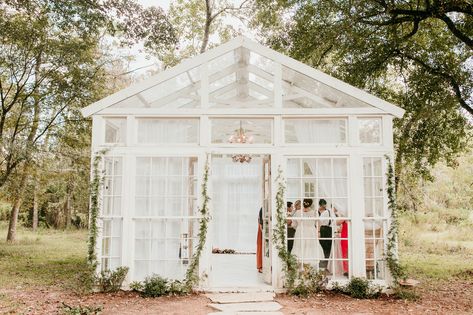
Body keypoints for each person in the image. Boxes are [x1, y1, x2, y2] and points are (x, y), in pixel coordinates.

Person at [291, 199, 324, 266]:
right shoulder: (315, 212)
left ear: (303, 204)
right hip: (311, 231)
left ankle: (301, 267)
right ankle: (310, 267)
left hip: (300, 231)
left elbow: (293, 225)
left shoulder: (297, 212)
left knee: (300, 247)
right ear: (311, 204)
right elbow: (319, 223)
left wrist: (299, 227)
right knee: (310, 248)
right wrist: (318, 231)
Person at [318, 199, 334, 271]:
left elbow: (320, 220)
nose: (323, 206)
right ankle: (326, 262)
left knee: (325, 244)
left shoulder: (325, 212)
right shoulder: (328, 211)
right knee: (326, 244)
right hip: (327, 229)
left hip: (325, 229)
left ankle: (326, 261)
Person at [256, 207, 263, 273]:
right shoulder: (262, 208)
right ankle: (260, 265)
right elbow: (260, 221)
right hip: (262, 230)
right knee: (260, 247)